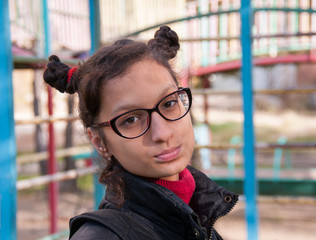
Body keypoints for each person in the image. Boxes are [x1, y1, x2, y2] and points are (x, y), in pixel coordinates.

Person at [43, 26, 239, 240]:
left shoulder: (197, 214)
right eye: (131, 120)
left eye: (169, 103)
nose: (162, 133)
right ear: (100, 142)